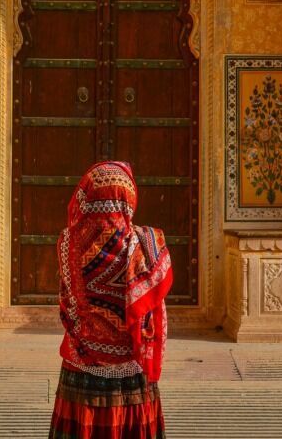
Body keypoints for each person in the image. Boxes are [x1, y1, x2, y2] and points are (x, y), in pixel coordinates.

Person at [49, 161, 172, 439]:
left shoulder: (67, 241)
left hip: (81, 365)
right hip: (132, 369)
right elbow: (153, 309)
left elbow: (66, 299)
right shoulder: (145, 244)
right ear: (128, 197)